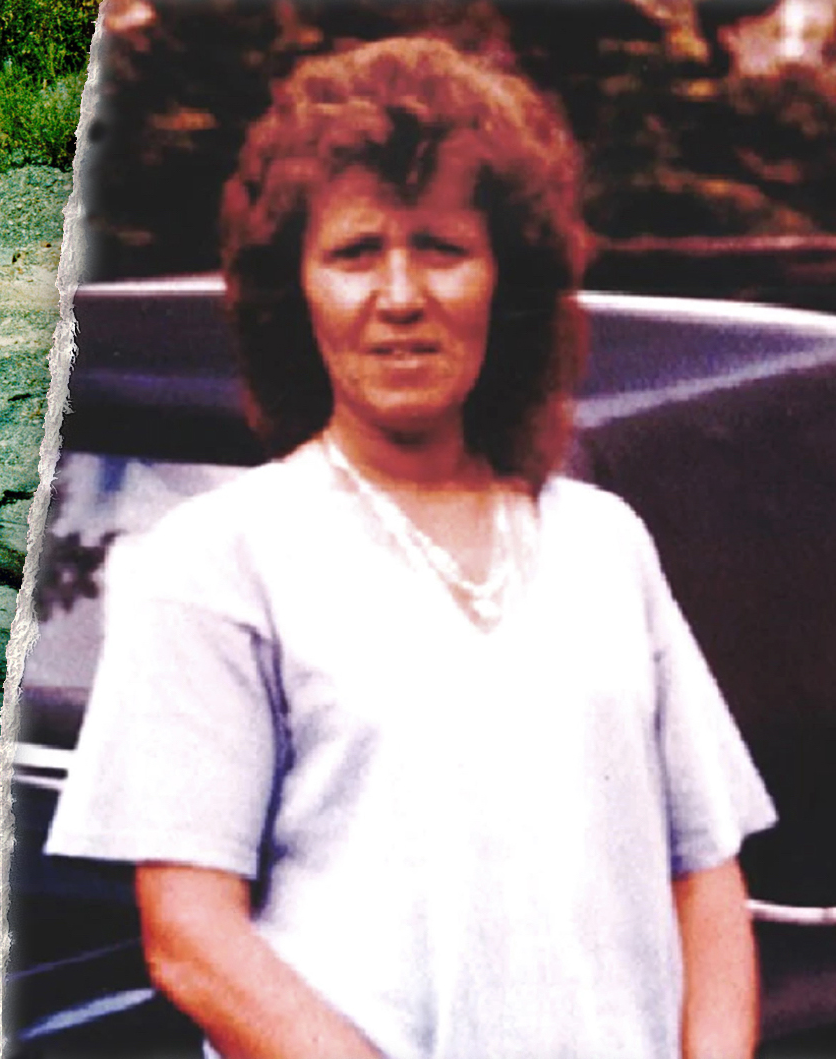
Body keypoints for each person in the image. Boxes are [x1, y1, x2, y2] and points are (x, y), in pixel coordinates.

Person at [43, 36, 776, 1059]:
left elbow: (703, 875)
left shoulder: (603, 545)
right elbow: (189, 939)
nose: (398, 295)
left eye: (439, 247)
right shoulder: (211, 558)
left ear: (502, 280)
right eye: (351, 252)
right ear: (292, 290)